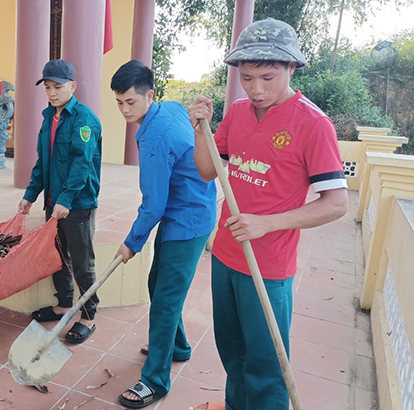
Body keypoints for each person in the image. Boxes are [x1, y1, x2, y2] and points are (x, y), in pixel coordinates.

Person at [188, 19, 348, 410]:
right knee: (233, 353)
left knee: (266, 364)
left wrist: (267, 223)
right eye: (246, 78)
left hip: (269, 265)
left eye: (268, 77)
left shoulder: (313, 123)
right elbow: (208, 172)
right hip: (226, 254)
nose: (256, 89)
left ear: (292, 68)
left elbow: (337, 203)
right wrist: (201, 130)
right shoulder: (239, 111)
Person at [111, 60, 217, 409]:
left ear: (149, 95)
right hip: (189, 212)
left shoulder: (155, 138)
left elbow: (153, 206)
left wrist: (131, 243)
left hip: (186, 221)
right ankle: (178, 347)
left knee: (166, 299)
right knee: (159, 286)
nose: (125, 110)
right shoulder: (170, 108)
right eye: (119, 103)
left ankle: (155, 380)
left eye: (131, 102)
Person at [18, 59, 102, 344]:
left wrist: (65, 199)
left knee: (81, 261)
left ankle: (89, 315)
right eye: (49, 88)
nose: (52, 93)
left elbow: (82, 164)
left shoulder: (84, 120)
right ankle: (64, 304)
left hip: (77, 204)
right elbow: (43, 162)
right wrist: (30, 195)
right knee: (57, 257)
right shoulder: (48, 118)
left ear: (73, 86)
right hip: (53, 204)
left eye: (59, 87)